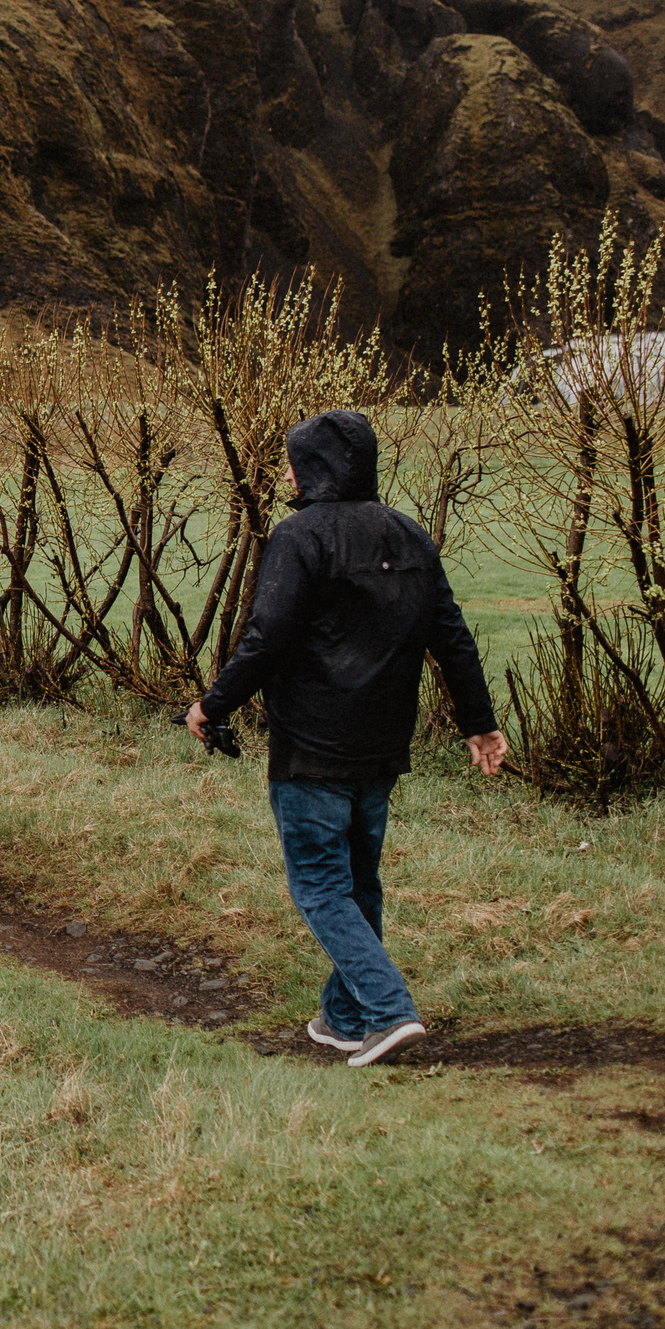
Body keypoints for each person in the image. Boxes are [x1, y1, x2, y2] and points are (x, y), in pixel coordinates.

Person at [186, 408, 506, 1070]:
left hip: (311, 748)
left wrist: (213, 705)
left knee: (321, 888)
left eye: (292, 463)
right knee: (360, 883)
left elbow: (266, 637)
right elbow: (452, 636)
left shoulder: (299, 537)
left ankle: (389, 1011)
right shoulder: (410, 536)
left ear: (316, 467)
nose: (285, 475)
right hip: (381, 749)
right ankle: (345, 1017)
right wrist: (479, 723)